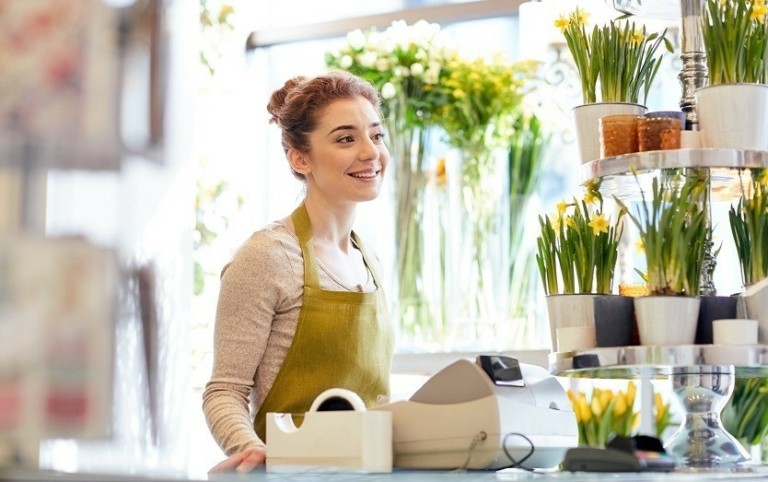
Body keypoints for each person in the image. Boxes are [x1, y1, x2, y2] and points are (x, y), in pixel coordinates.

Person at [202, 70, 394, 473]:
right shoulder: (267, 257)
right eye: (346, 138)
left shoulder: (369, 260)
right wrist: (251, 450)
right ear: (299, 158)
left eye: (376, 135)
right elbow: (224, 391)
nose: (370, 152)